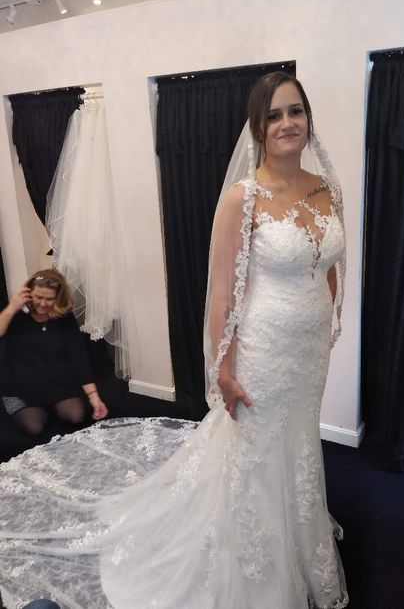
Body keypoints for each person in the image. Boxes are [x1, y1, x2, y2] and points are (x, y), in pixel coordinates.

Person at [0, 73, 348, 609]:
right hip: (263, 351)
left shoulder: (327, 190)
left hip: (308, 352)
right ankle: (256, 557)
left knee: (296, 442)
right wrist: (223, 368)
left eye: (295, 111)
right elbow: (221, 294)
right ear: (258, 127)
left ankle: (299, 530)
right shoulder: (243, 198)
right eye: (274, 115)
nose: (287, 124)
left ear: (308, 118)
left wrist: (327, 322)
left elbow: (328, 265)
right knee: (256, 451)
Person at [0, 268, 108, 436]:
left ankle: (52, 404)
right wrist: (12, 307)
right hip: (20, 385)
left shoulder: (64, 318)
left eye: (49, 299)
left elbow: (79, 358)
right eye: (38, 297)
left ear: (58, 298)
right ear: (30, 294)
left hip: (56, 380)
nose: (43, 304)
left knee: (76, 416)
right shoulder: (16, 314)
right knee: (34, 427)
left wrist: (94, 398)